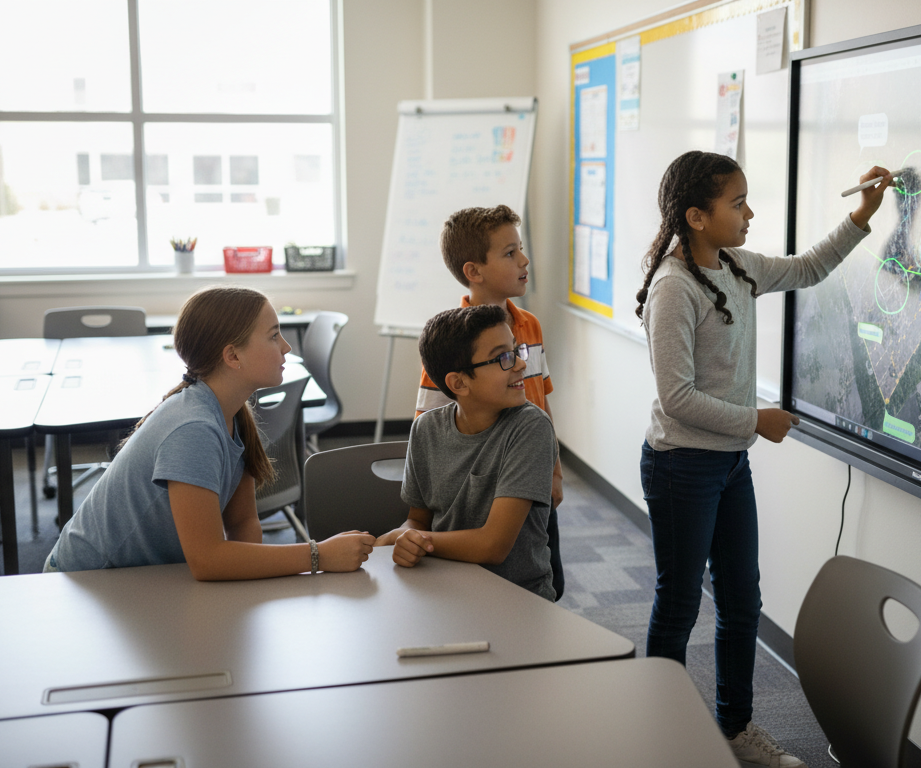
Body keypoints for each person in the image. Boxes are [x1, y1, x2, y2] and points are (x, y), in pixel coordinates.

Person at [636, 151, 892, 767]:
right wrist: (757, 420)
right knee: (678, 604)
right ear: (697, 217)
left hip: (728, 465)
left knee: (742, 601)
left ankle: (735, 726)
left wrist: (862, 216)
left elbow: (808, 267)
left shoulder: (739, 267)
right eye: (738, 203)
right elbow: (677, 399)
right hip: (681, 467)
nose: (750, 213)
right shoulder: (673, 289)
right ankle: (656, 731)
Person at [44, 285, 375, 580]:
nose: (286, 346)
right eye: (274, 336)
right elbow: (208, 560)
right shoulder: (194, 429)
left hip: (142, 579)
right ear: (232, 356)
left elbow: (243, 523)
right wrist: (318, 556)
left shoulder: (234, 413)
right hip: (85, 583)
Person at [414, 205, 566, 600]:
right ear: (474, 271)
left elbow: (542, 404)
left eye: (521, 249)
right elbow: (435, 427)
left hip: (529, 466)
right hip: (476, 485)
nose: (524, 260)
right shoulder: (452, 345)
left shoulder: (529, 325)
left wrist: (555, 470)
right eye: (510, 252)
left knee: (541, 567)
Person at [378, 304, 557, 600]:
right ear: (458, 383)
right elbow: (418, 519)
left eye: (516, 350)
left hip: (516, 597)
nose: (520, 364)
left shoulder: (531, 427)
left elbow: (493, 546)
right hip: (442, 587)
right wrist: (409, 535)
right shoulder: (426, 429)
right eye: (502, 357)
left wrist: (416, 539)